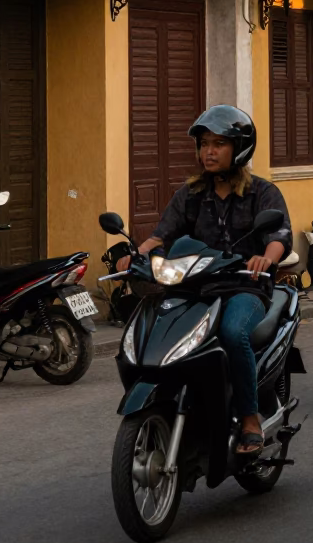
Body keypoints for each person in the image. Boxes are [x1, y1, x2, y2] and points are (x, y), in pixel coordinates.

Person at [117, 105, 292, 456]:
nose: (208, 152)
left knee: (232, 332)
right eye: (204, 144)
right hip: (195, 287)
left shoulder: (262, 193)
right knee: (151, 331)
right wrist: (137, 254)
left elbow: (279, 235)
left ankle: (249, 418)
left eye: (218, 144)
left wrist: (265, 258)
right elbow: (161, 235)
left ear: (239, 148)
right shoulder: (191, 195)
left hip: (245, 286)